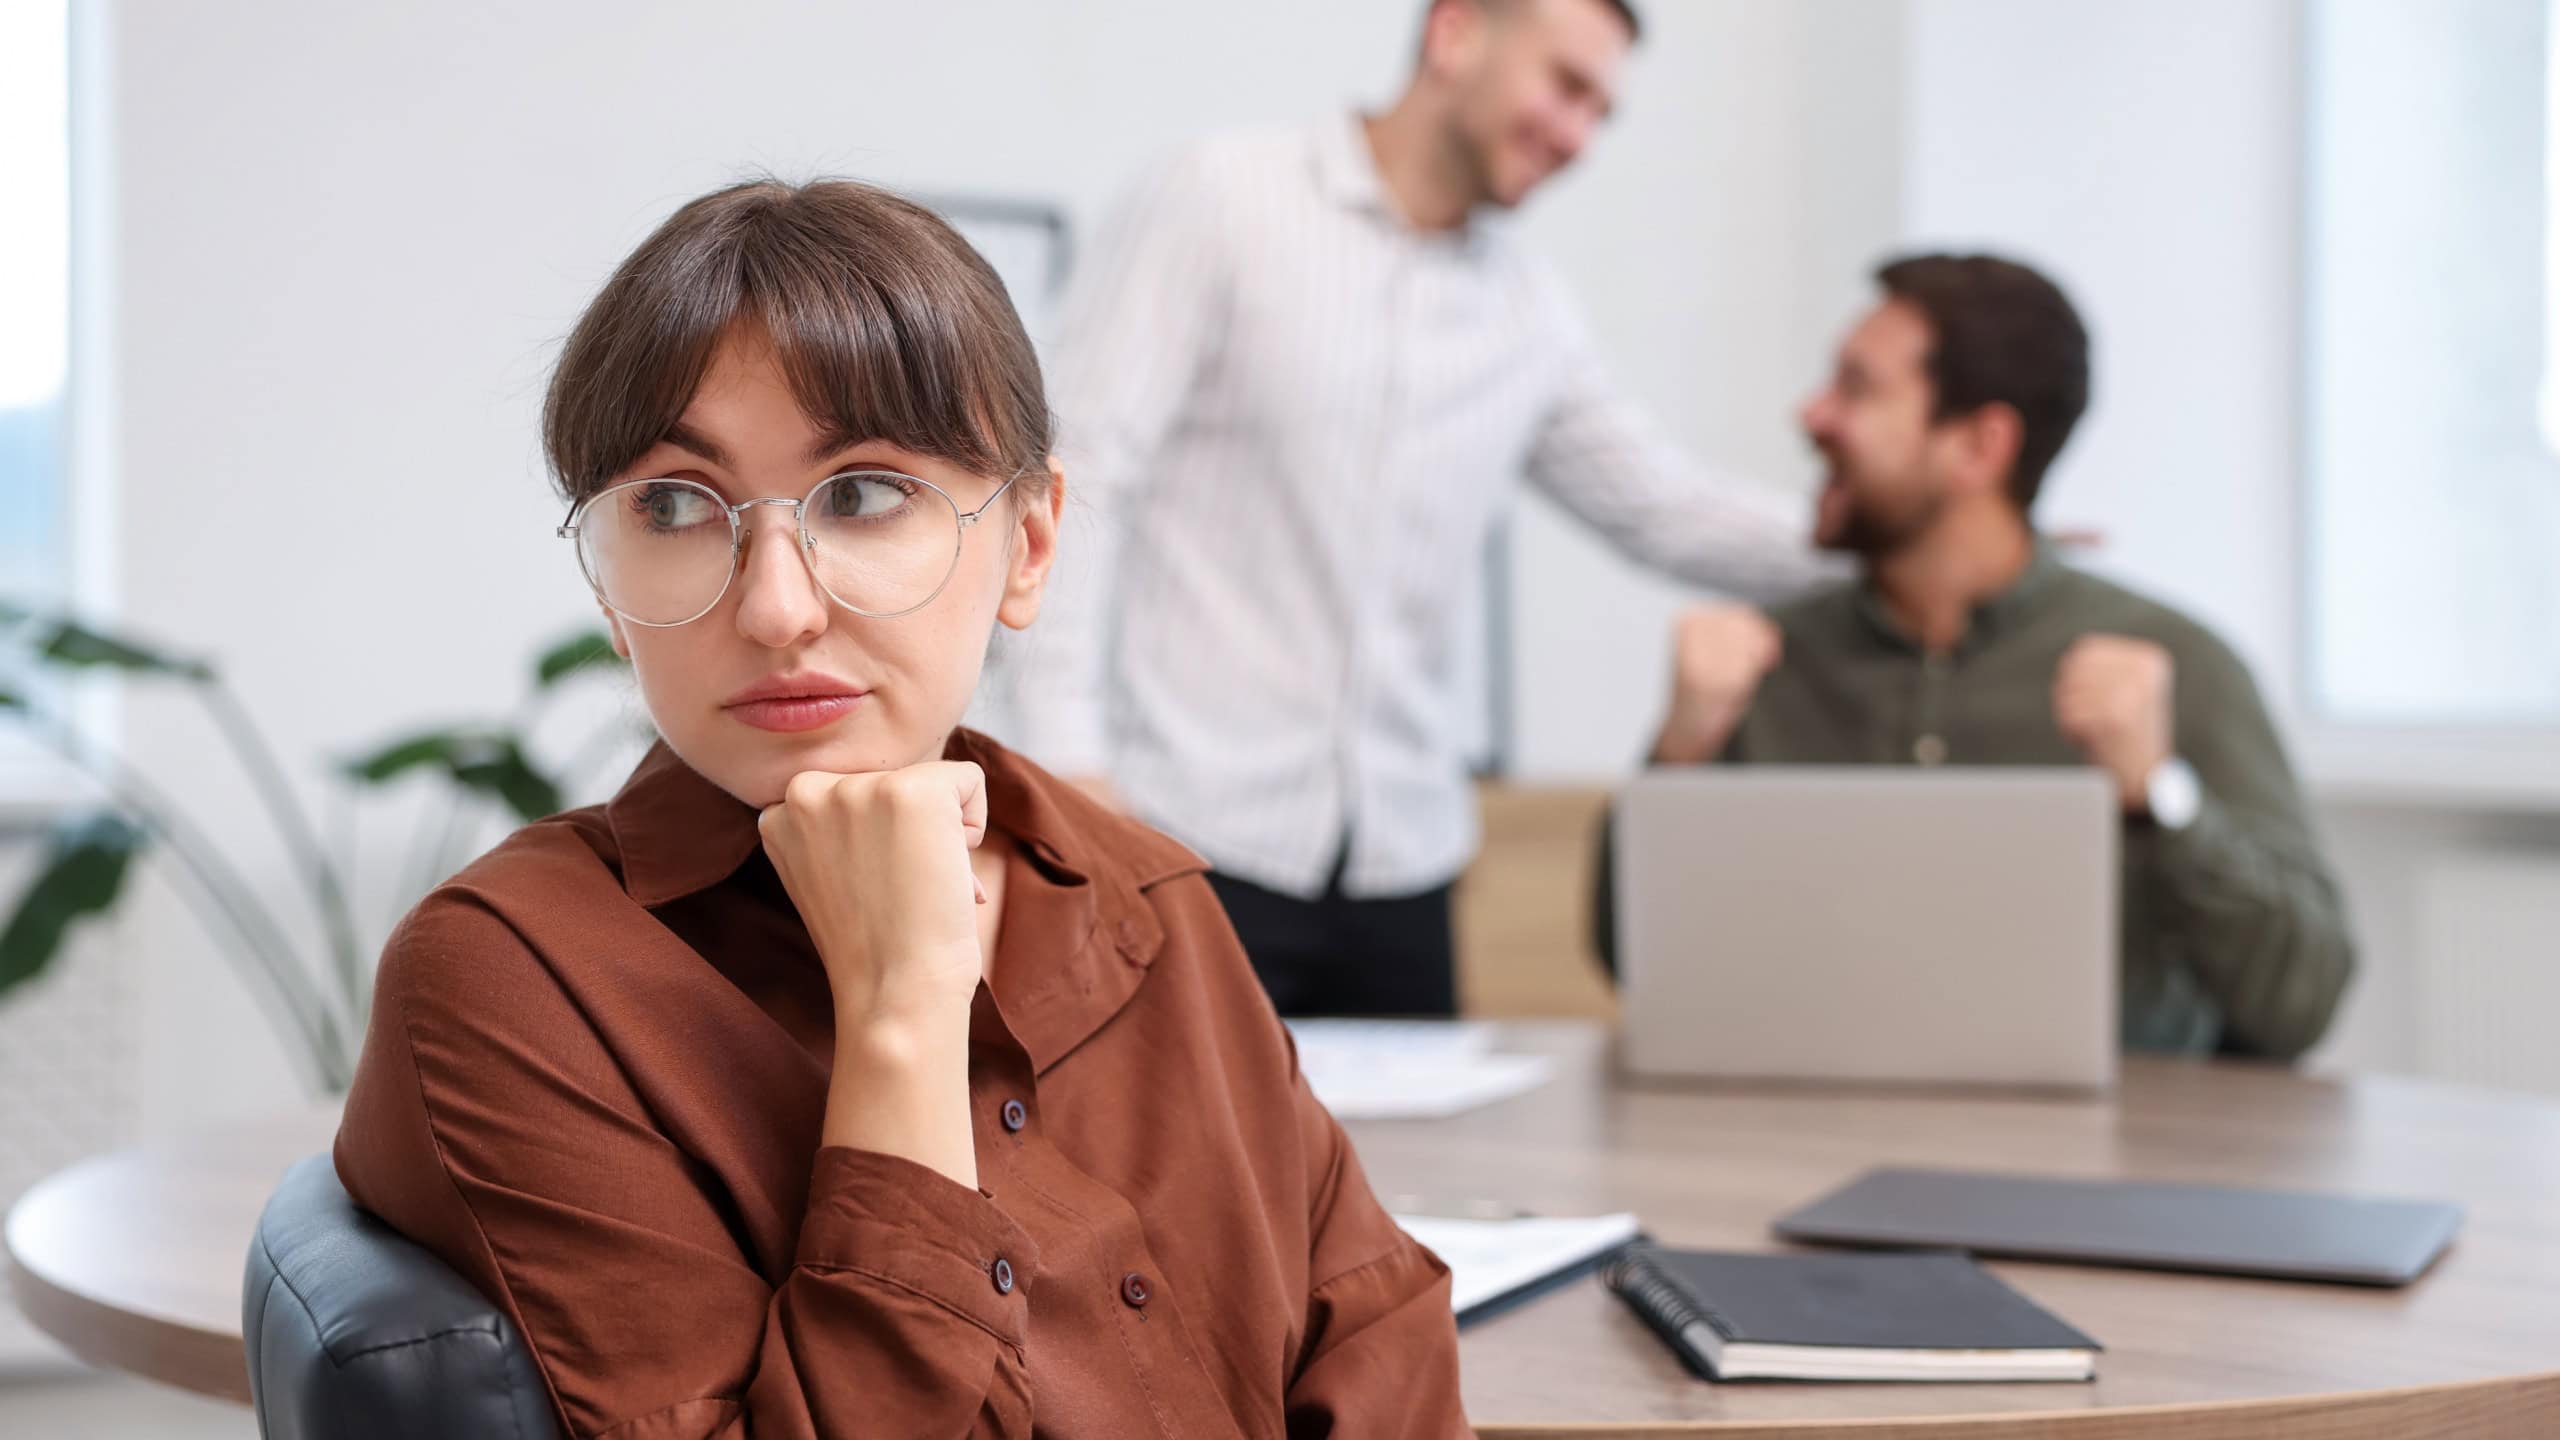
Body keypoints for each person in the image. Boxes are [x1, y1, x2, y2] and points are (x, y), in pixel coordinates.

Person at [333, 179, 1473, 1438]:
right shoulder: (514, 980)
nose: (775, 607)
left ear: (1029, 544)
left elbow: (1371, 1333)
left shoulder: (1139, 893)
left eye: (863, 493)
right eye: (673, 505)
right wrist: (901, 1013)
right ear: (609, 588)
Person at [1006, 0, 1829, 1019]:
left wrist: (1915, 540)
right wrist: (1067, 766)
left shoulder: (1527, 308)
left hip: (1405, 871)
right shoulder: (1221, 198)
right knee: (1183, 1173)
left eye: (1601, 114)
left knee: (1412, 1179)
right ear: (1455, 35)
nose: (1577, 136)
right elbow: (1074, 476)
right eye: (1565, 86)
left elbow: (1660, 507)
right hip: (1184, 835)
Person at [1600, 253, 2355, 1062]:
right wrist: (1676, 757)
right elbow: (1627, 958)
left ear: (1979, 447)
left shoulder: (2171, 666)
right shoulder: (1761, 666)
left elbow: (2300, 1001)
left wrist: (2157, 795)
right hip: (1811, 1141)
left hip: (2109, 1163)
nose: (1812, 414)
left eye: (1857, 389)